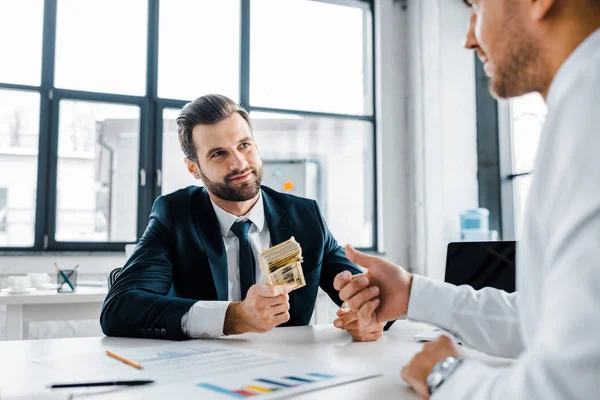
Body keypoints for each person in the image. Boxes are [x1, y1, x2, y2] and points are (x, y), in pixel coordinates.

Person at [333, 0, 600, 398]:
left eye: (477, 6)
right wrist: (411, 293)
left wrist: (446, 376)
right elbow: (546, 322)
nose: (469, 38)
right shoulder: (580, 104)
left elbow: (568, 387)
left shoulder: (588, 114)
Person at [100, 94, 384, 342]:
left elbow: (366, 296)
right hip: (202, 373)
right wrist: (234, 317)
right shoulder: (174, 216)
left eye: (244, 145)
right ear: (193, 168)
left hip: (292, 373)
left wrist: (369, 316)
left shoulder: (304, 216)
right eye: (218, 154)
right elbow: (119, 309)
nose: (239, 163)